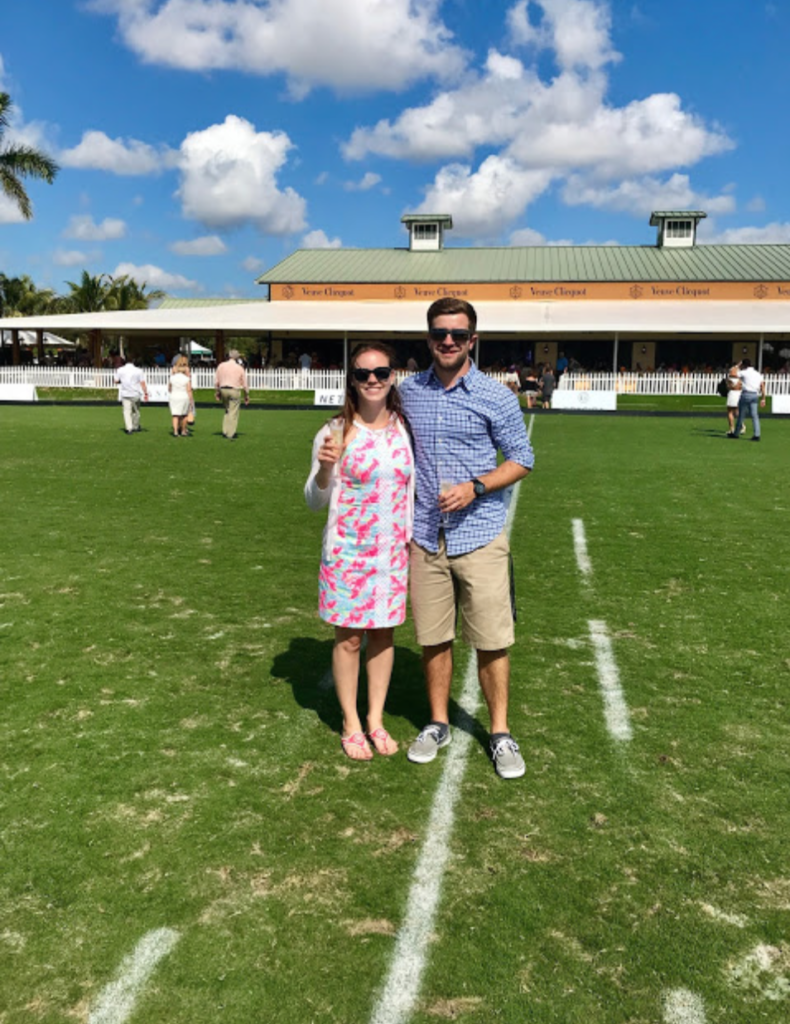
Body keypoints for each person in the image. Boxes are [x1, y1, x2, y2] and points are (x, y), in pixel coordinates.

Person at [399, 298, 534, 780]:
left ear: (473, 339)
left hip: (478, 535)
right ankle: (438, 722)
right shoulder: (409, 391)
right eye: (440, 333)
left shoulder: (495, 395)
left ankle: (499, 733)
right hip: (424, 536)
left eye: (457, 333)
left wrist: (476, 486)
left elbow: (521, 458)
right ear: (429, 337)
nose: (448, 340)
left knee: (492, 640)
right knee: (434, 638)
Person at [305, 343, 414, 760]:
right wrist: (326, 468)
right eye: (363, 374)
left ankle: (375, 719)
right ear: (351, 380)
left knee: (383, 636)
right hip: (348, 554)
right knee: (349, 638)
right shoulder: (335, 430)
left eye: (381, 373)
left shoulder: (403, 428)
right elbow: (314, 500)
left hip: (392, 553)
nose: (372, 380)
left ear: (392, 377)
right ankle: (351, 722)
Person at [214, 348, 249, 439]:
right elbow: (244, 383)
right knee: (233, 412)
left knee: (227, 410)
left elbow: (216, 381)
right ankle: (231, 433)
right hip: (234, 389)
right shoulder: (239, 368)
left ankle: (225, 430)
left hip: (223, 389)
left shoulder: (221, 366)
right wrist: (246, 395)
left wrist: (217, 392)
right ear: (237, 358)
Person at [730, 358, 766, 441]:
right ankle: (757, 434)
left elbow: (732, 374)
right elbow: (762, 386)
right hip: (754, 395)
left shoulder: (744, 373)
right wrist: (763, 398)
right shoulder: (758, 374)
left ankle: (736, 433)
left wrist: (736, 366)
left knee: (741, 415)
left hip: (746, 394)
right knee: (755, 416)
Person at [114, 355, 149, 434]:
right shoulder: (138, 371)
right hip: (135, 393)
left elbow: (116, 381)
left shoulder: (120, 370)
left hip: (125, 393)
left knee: (127, 411)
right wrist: (145, 392)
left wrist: (121, 382)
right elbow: (142, 383)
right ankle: (135, 426)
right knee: (136, 411)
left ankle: (129, 428)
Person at [168, 355, 193, 437]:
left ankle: (175, 431)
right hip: (183, 396)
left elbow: (169, 388)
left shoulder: (172, 378)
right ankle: (183, 430)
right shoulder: (186, 379)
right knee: (184, 414)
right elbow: (189, 390)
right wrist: (191, 400)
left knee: (175, 415)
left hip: (174, 396)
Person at [724, 363, 742, 436]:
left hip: (733, 393)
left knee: (730, 411)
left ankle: (732, 429)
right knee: (737, 411)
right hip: (739, 393)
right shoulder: (741, 375)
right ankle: (741, 426)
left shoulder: (731, 374)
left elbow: (729, 386)